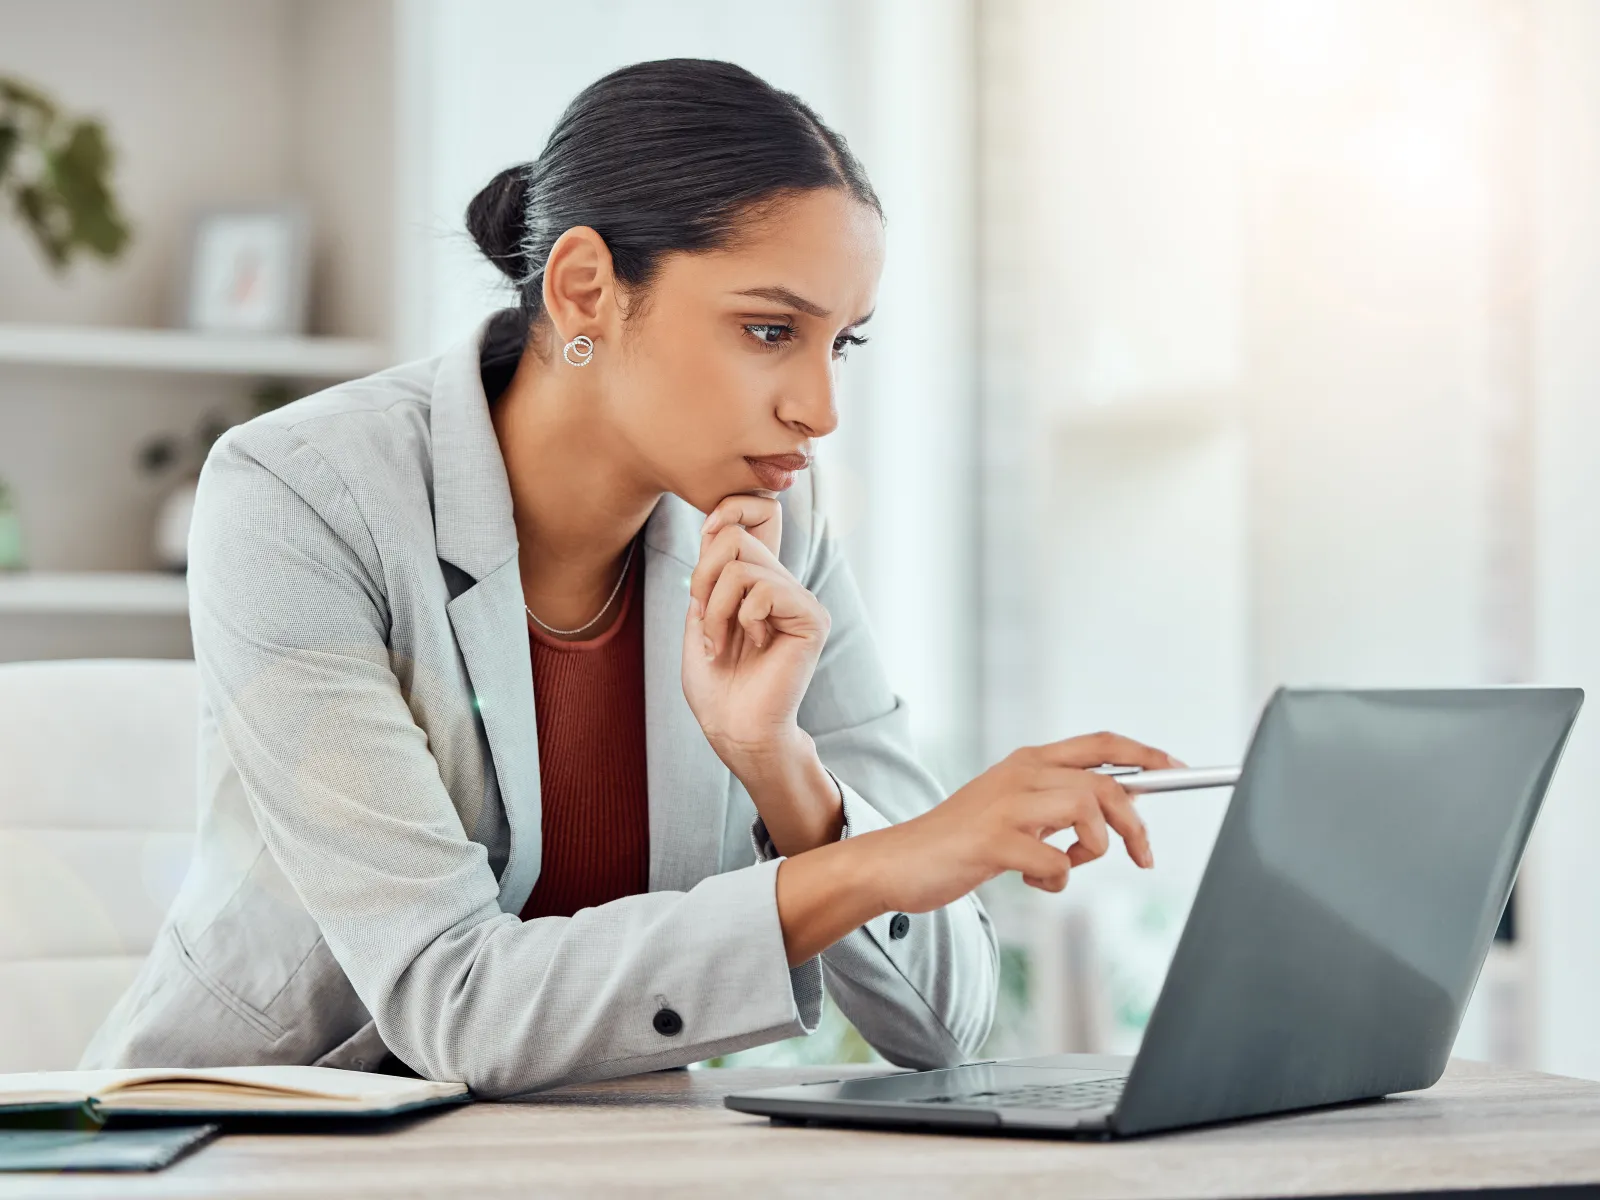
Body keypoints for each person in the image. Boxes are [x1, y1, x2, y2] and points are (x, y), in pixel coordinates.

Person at [83, 59, 1177, 1097]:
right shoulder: (300, 495)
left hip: (613, 1154)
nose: (819, 408)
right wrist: (877, 864)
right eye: (767, 329)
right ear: (585, 289)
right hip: (257, 1141)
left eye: (839, 344)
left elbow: (942, 1025)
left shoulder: (779, 522)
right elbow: (449, 1000)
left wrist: (787, 773)